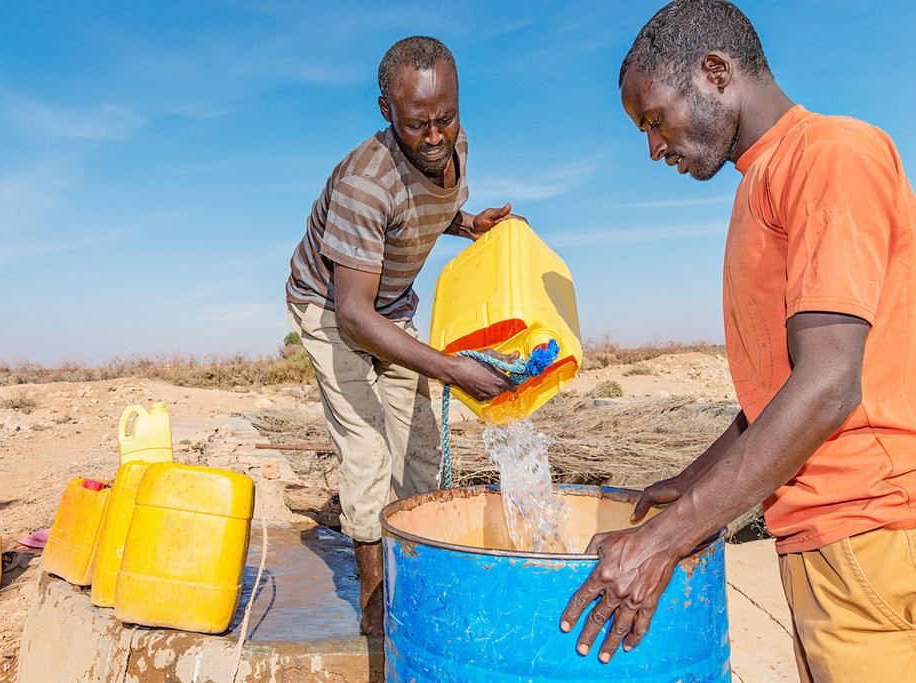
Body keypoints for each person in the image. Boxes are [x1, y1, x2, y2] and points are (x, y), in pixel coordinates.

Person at [558, 1, 916, 679]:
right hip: (825, 539)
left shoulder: (831, 155)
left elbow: (830, 383)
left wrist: (664, 540)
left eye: (655, 120)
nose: (653, 147)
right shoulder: (761, 184)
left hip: (869, 529)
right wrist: (692, 481)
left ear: (716, 72)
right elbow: (779, 390)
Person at [286, 36, 520, 637]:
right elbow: (355, 318)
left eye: (447, 117)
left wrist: (469, 224)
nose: (436, 136)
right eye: (418, 124)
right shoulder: (367, 184)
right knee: (368, 450)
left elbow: (427, 209)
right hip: (332, 308)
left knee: (420, 447)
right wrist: (450, 367)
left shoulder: (451, 144)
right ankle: (375, 604)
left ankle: (420, 571)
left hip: (389, 304)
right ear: (388, 112)